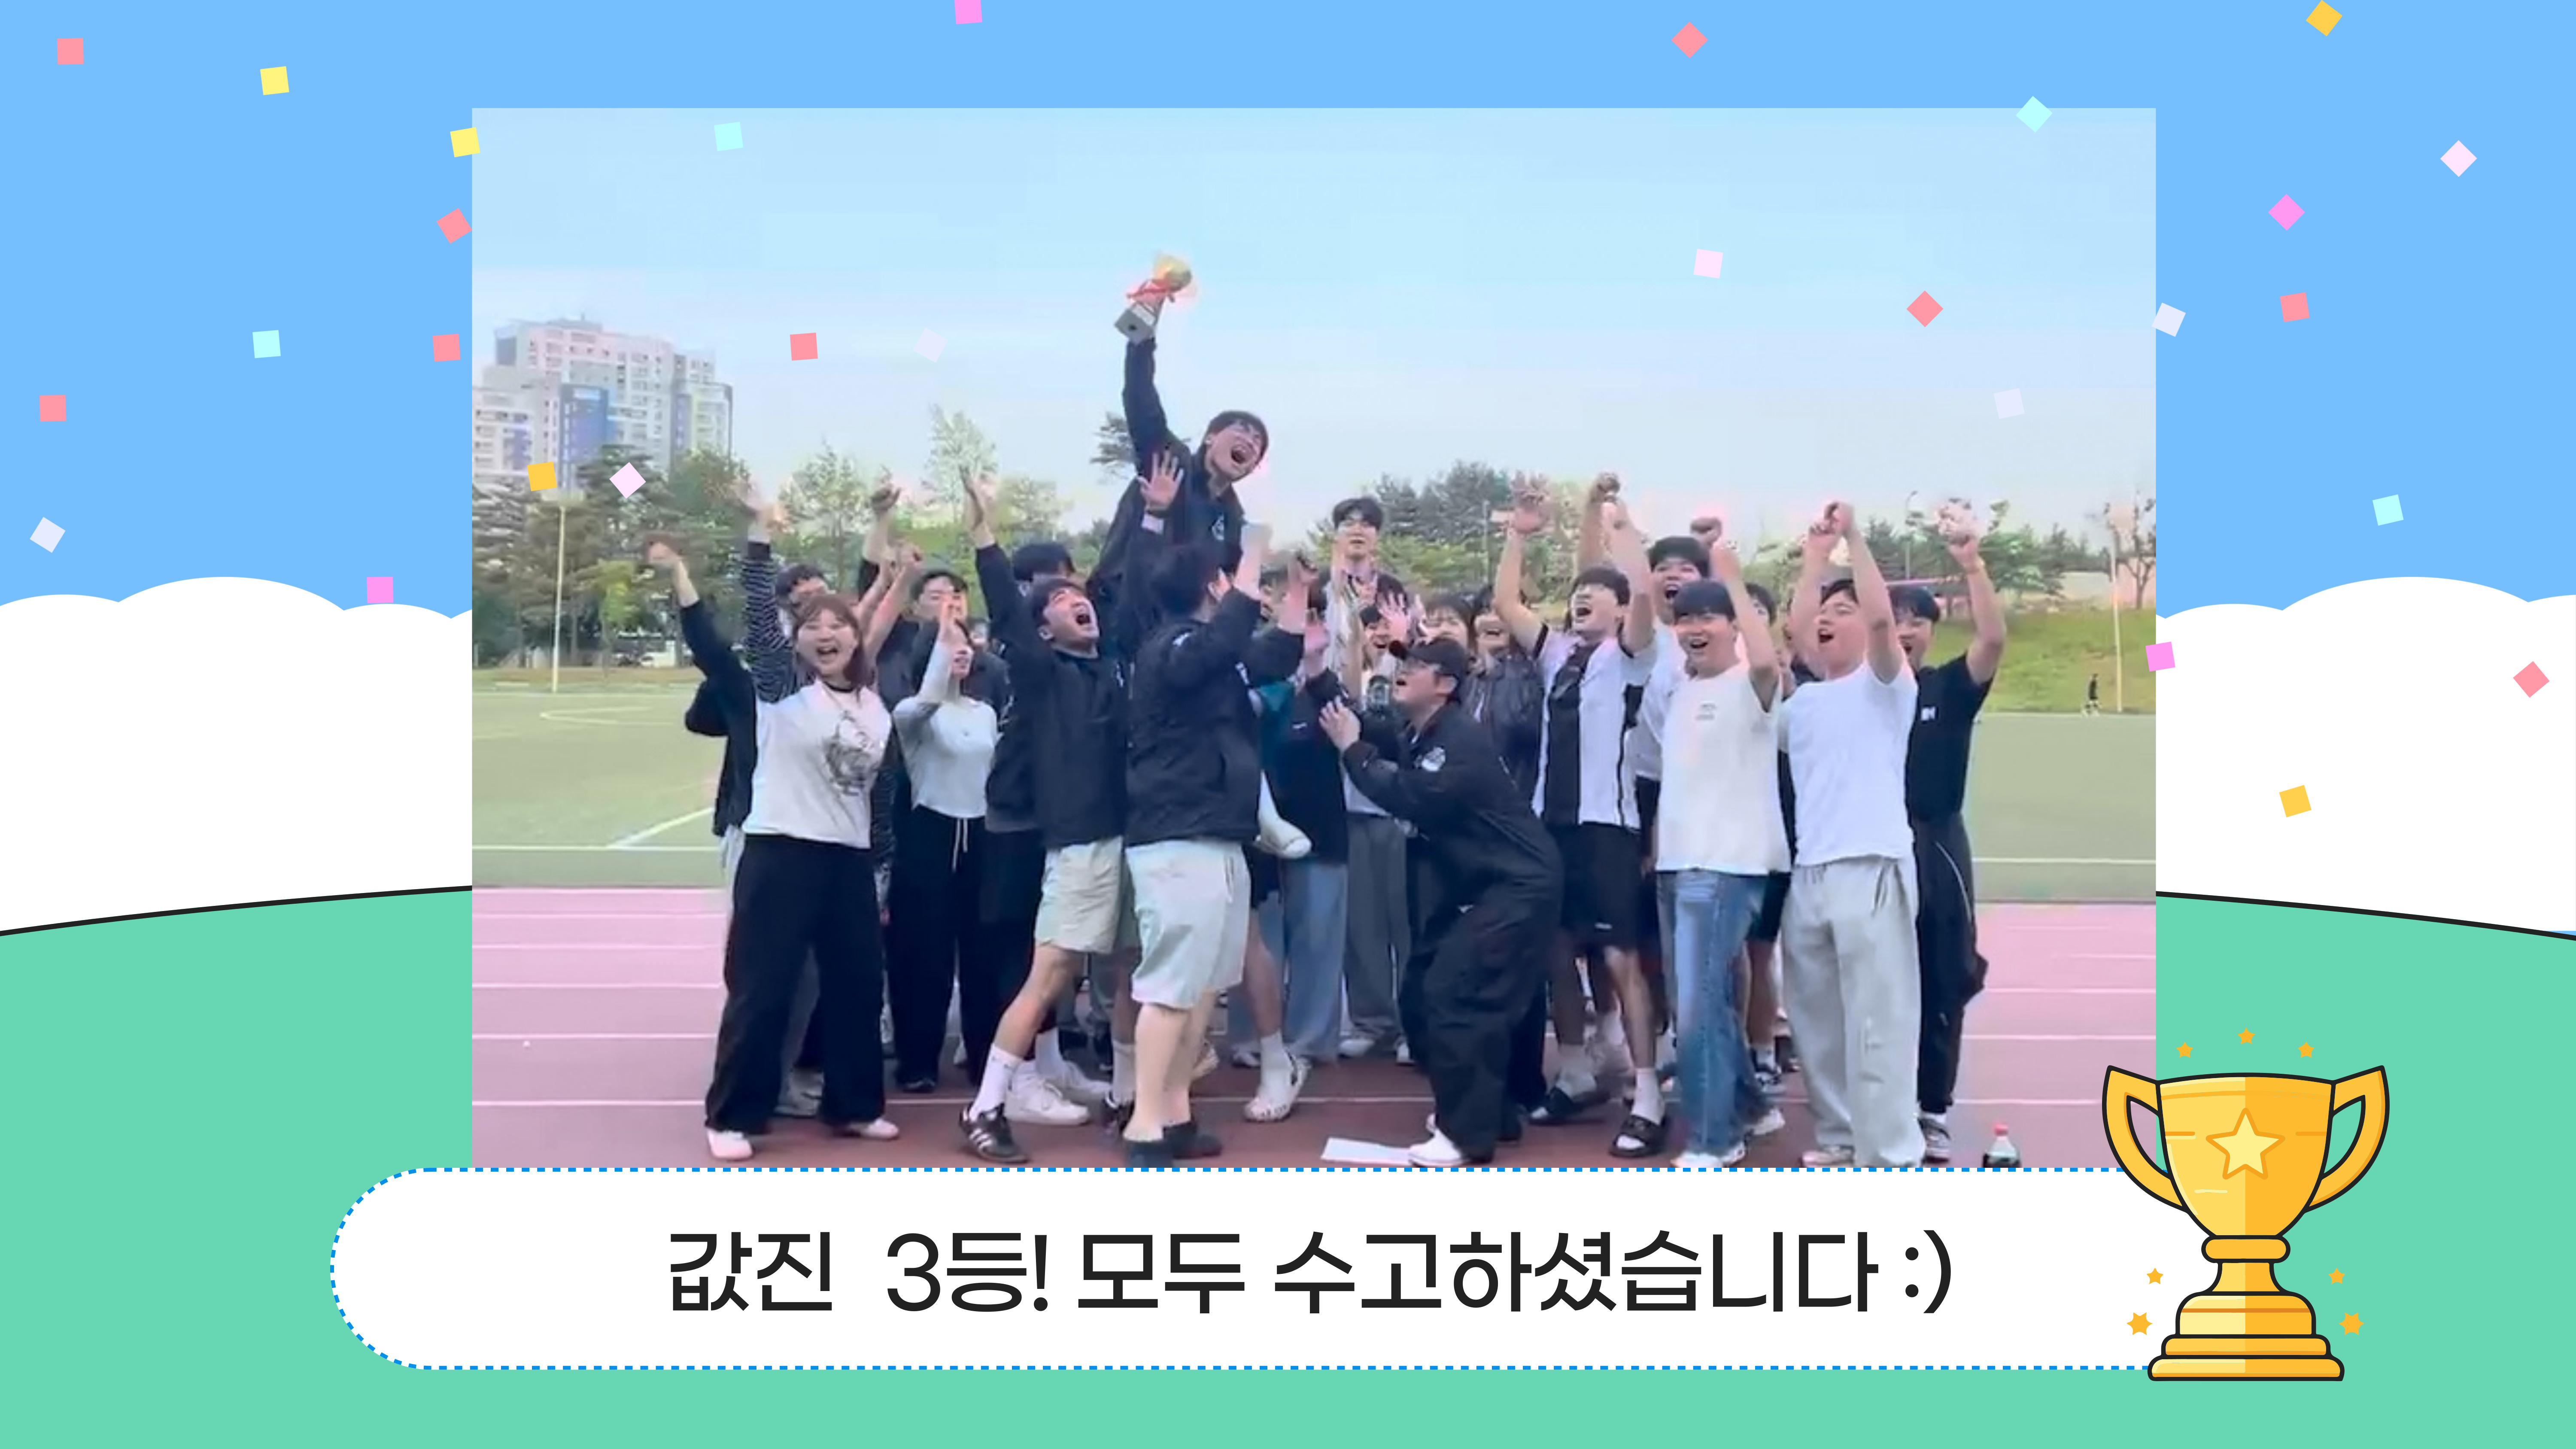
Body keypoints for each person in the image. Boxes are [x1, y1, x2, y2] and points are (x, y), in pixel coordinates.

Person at [699, 511, 914, 1162]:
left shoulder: (872, 702)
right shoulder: (784, 692)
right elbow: (762, 624)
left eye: (838, 626)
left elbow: (883, 612)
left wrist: (901, 576)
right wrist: (758, 538)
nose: (827, 634)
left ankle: (855, 1105)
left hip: (847, 861)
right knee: (764, 988)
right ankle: (732, 1115)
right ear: (798, 643)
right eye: (813, 627)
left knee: (858, 986)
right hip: (781, 852)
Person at [1319, 639, 1561, 1168]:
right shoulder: (1419, 731)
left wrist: (1352, 751)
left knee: (1455, 996)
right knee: (1423, 992)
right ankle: (1489, 1113)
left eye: (1417, 665)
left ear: (1446, 685)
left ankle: (1467, 1135)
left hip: (1518, 887)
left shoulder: (1457, 740)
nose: (1403, 671)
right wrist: (1318, 670)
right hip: (1484, 887)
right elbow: (1359, 719)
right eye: (1403, 662)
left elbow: (1411, 797)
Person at [956, 482, 1136, 1163]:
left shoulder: (1113, 670)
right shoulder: (1041, 672)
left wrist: (1147, 510)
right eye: (1058, 600)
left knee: (1127, 968)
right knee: (1051, 970)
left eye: (1077, 594)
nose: (1074, 599)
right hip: (1079, 847)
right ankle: (986, 1106)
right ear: (1041, 629)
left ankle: (1127, 1095)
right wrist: (985, 536)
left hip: (1128, 842)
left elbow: (1119, 572)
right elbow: (1007, 605)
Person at [1488, 477, 1663, 1157]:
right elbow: (1506, 602)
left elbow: (1643, 592)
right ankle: (1576, 1069)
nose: (1582, 598)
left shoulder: (1632, 655)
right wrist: (1519, 534)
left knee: (1620, 958)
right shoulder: (1558, 652)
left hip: (1606, 827)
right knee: (1556, 949)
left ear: (1620, 608)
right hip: (1549, 826)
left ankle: (1646, 1092)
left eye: (1596, 592)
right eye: (1577, 593)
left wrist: (1619, 527)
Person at [1118, 530, 1302, 1167]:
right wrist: (1251, 562)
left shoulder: (1213, 651)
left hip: (1219, 837)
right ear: (1210, 587)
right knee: (1172, 987)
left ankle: (1175, 1112)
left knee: (1201, 991)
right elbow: (1220, 644)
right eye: (1225, 580)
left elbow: (1276, 655)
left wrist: (1297, 591)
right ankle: (1145, 1124)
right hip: (1176, 840)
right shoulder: (1170, 646)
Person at [1780, 501, 1924, 1170]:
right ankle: (1840, 1134)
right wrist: (1814, 556)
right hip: (1810, 870)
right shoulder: (1804, 701)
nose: (1827, 619)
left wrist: (1854, 538)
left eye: (1843, 611)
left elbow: (1881, 619)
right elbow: (1796, 626)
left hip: (1872, 863)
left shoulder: (1887, 684)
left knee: (1879, 1021)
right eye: (1824, 612)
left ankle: (1890, 1152)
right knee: (1817, 1018)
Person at [1639, 562, 1791, 1168]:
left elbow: (1766, 660)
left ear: (1734, 625)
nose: (1694, 629)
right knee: (1702, 1001)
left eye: (1709, 617)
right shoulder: (1681, 691)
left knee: (1699, 1003)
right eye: (1685, 619)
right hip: (1678, 865)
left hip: (1725, 865)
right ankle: (1749, 1106)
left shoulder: (1751, 685)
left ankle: (1714, 1137)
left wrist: (1728, 573)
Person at [1893, 528, 2007, 1164]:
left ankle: (1931, 1109)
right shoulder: (1860, 693)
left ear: (1931, 632)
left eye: (1917, 620)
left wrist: (1972, 565)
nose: (1905, 629)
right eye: (1895, 618)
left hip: (1936, 846)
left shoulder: (1948, 689)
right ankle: (1880, 1104)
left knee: (1943, 977)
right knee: (1879, 982)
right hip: (1874, 847)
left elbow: (1992, 640)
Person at [886, 600, 1000, 1094]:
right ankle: (917, 1062)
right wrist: (944, 634)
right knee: (923, 956)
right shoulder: (913, 713)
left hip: (982, 837)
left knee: (983, 957)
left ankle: (984, 1056)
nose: (963, 650)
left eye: (967, 642)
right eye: (951, 643)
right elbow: (929, 698)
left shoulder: (986, 712)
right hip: (929, 836)